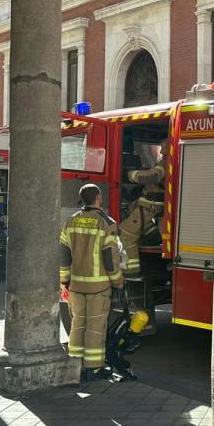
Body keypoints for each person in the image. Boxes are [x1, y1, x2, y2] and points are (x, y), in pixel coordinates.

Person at [59, 184, 124, 381]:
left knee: (78, 324)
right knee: (95, 327)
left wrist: (64, 280)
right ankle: (93, 368)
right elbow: (110, 258)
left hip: (77, 285)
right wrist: (118, 281)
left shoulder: (70, 221)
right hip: (99, 286)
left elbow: (63, 255)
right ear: (98, 198)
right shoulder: (106, 222)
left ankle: (75, 362)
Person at [119, 140, 167, 277]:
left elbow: (152, 176)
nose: (162, 151)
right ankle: (153, 236)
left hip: (151, 204)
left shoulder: (166, 162)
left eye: (165, 148)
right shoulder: (171, 161)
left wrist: (129, 174)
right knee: (140, 224)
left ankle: (130, 273)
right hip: (152, 203)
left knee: (125, 234)